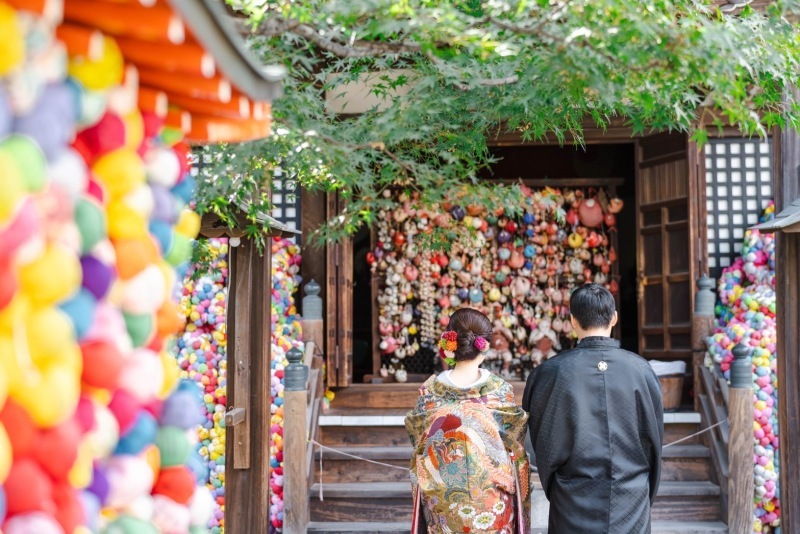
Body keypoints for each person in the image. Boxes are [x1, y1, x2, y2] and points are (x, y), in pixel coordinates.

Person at [523, 283, 664, 534]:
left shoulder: (551, 372)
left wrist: (557, 485)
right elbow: (654, 437)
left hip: (572, 495)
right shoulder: (641, 370)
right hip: (630, 493)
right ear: (614, 318)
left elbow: (539, 440)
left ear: (573, 321)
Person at [406, 308, 530, 534]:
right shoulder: (499, 391)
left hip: (442, 500)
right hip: (491, 500)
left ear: (449, 343)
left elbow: (417, 440)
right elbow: (516, 444)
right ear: (485, 345)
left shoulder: (430, 392)